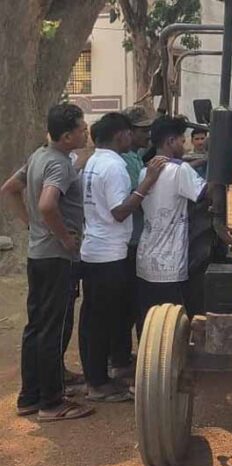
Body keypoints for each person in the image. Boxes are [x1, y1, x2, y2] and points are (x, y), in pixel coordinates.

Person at [0, 104, 94, 421]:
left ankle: (29, 396)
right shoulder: (58, 164)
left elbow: (9, 189)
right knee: (54, 328)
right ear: (66, 137)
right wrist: (65, 238)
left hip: (37, 255)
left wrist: (31, 226)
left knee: (36, 325)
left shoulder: (39, 156)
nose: (86, 132)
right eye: (81, 128)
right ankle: (52, 403)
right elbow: (47, 204)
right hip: (57, 258)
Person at [80, 112, 166, 402]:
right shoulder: (115, 166)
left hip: (94, 248)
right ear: (120, 135)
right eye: (130, 132)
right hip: (109, 252)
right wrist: (147, 183)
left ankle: (97, 377)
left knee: (95, 319)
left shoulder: (94, 160)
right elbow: (119, 211)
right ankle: (98, 384)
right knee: (104, 320)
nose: (134, 137)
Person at [135, 116, 207, 329]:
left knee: (149, 323)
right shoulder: (179, 170)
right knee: (171, 327)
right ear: (170, 141)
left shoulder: (144, 172)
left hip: (146, 260)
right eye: (182, 141)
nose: (184, 146)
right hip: (170, 265)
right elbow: (206, 193)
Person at [111, 105, 154, 379]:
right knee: (126, 305)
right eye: (142, 130)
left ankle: (124, 355)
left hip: (135, 240)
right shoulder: (123, 163)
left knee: (133, 302)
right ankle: (119, 358)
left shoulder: (136, 156)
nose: (147, 135)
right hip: (128, 242)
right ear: (127, 132)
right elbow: (126, 204)